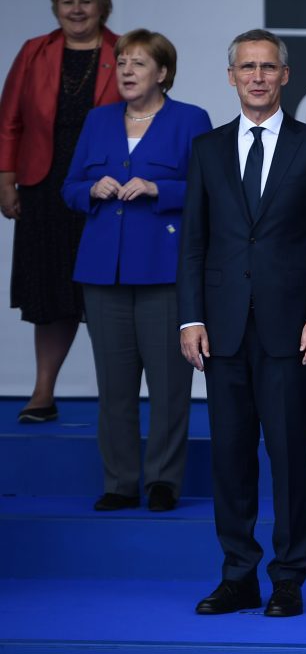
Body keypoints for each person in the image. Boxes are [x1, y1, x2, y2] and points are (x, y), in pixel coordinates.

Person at [179, 30, 306, 618]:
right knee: (229, 458)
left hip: (291, 330)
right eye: (247, 67)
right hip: (221, 329)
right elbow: (193, 243)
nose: (257, 76)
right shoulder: (206, 149)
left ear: (285, 76)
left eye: (268, 67)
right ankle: (238, 577)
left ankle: (289, 579)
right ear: (231, 77)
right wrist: (190, 318)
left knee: (290, 459)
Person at [62, 29, 211, 512]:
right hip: (102, 272)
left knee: (169, 386)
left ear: (163, 72)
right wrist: (90, 189)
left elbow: (209, 189)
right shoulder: (98, 119)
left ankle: (163, 481)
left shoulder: (190, 119)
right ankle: (120, 482)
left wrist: (158, 188)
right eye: (122, 62)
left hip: (164, 273)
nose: (126, 71)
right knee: (114, 387)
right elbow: (69, 187)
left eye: (139, 63)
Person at [0, 0, 120, 422]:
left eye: (86, 1)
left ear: (102, 7)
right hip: (44, 188)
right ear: (55, 7)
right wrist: (6, 178)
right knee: (50, 294)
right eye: (68, 1)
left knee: (103, 296)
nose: (77, 9)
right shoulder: (34, 51)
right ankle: (42, 394)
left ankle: (116, 399)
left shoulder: (122, 51)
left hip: (103, 190)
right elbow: (9, 119)